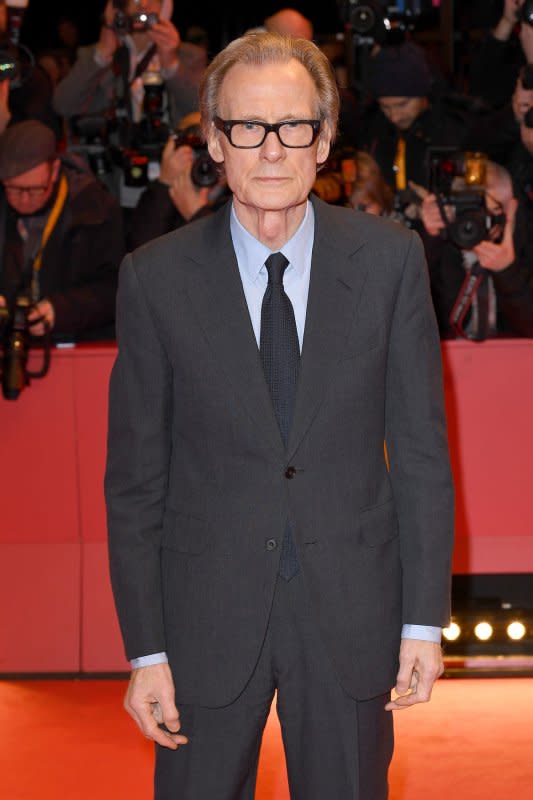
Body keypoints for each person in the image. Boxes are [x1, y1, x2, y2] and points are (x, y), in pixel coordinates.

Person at [105, 32, 454, 799]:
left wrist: (422, 624)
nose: (270, 149)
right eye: (246, 128)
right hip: (205, 619)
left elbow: (422, 457)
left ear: (323, 140)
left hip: (350, 616)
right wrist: (145, 650)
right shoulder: (155, 279)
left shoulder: (390, 263)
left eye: (292, 126)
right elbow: (134, 484)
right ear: (214, 143)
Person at [0, 120, 123, 340]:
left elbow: (114, 288)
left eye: (36, 189)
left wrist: (61, 310)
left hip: (72, 341)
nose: (24, 200)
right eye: (14, 189)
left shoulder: (94, 210)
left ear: (55, 170)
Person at [416, 160, 533, 338]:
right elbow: (411, 311)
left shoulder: (526, 243)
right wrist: (429, 239)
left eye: (493, 211)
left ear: (513, 207)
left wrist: (508, 272)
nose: (480, 221)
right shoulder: (445, 241)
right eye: (474, 209)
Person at [53, 0, 205, 129]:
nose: (143, 5)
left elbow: (205, 113)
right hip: (112, 158)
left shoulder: (190, 56)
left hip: (170, 156)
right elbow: (62, 106)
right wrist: (102, 56)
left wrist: (172, 65)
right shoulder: (94, 56)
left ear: (165, 6)